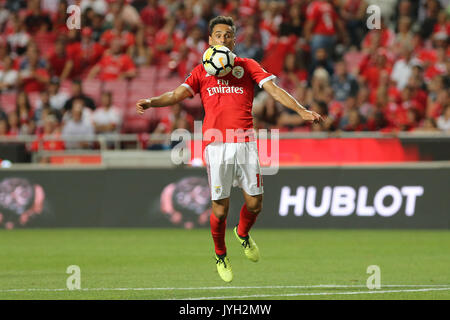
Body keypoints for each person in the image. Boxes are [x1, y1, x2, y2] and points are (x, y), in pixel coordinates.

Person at [136, 16, 322, 283]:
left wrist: (302, 111)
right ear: (210, 40)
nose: (223, 39)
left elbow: (274, 90)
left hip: (245, 142)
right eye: (219, 35)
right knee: (220, 211)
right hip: (216, 145)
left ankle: (243, 234)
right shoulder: (201, 71)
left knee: (255, 204)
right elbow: (177, 94)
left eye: (228, 36)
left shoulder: (246, 66)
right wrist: (152, 102)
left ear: (234, 41)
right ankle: (221, 254)